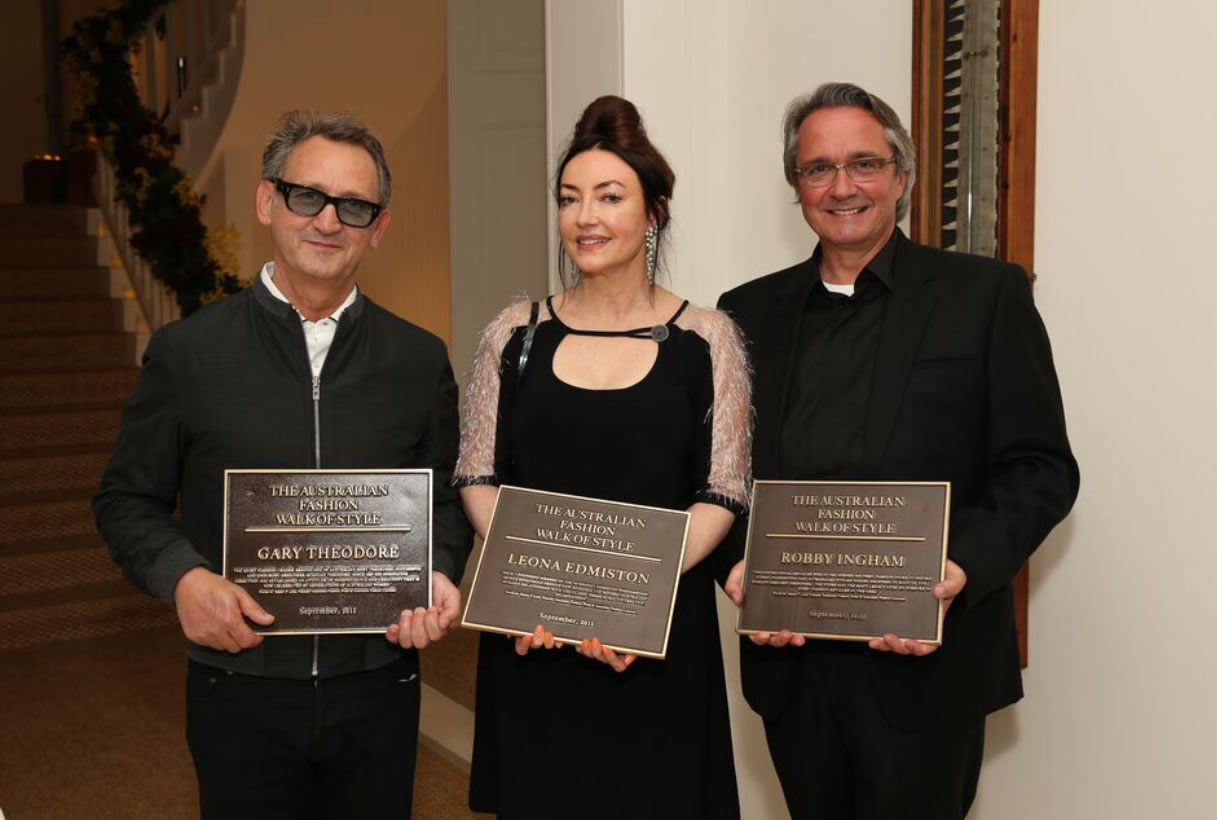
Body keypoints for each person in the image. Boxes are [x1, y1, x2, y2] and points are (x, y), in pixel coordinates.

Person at [93, 110, 473, 820]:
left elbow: (446, 499)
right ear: (268, 201)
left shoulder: (419, 360)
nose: (328, 221)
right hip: (239, 685)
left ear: (378, 227)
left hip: (379, 686)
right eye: (308, 196)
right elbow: (125, 500)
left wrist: (441, 570)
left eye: (354, 206)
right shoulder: (189, 353)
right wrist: (182, 578)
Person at [718, 82, 1079, 819]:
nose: (842, 187)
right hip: (793, 662)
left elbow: (1040, 467)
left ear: (902, 175)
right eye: (818, 168)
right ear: (796, 185)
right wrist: (737, 564)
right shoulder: (745, 312)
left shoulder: (985, 295)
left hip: (929, 660)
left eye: (864, 164)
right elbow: (721, 474)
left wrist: (961, 567)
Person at [454, 94, 750, 819]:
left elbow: (722, 490)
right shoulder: (515, 334)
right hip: (536, 635)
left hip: (659, 640)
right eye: (569, 198)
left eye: (609, 197)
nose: (585, 217)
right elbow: (478, 475)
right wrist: (556, 590)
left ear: (654, 213)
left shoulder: (708, 339)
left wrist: (625, 598)